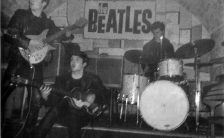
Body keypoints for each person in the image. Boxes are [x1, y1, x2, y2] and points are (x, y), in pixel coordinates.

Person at [2, 0, 74, 137]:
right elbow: (9, 34)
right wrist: (28, 42)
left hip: (36, 65)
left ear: (44, 3)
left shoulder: (48, 22)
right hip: (18, 61)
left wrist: (68, 34)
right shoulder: (20, 15)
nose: (31, 1)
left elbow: (61, 35)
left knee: (35, 101)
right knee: (3, 94)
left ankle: (28, 134)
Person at [35, 49, 107, 138]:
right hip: (64, 115)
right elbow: (53, 101)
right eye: (72, 59)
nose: (73, 62)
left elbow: (105, 96)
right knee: (54, 110)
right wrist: (45, 96)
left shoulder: (92, 79)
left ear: (84, 64)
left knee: (74, 113)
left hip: (83, 115)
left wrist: (90, 98)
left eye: (77, 60)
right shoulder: (62, 79)